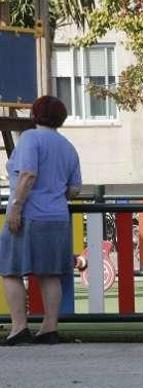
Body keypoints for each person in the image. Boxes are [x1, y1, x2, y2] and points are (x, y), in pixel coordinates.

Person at [1, 95, 82, 346]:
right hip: (56, 216)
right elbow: (75, 189)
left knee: (10, 270)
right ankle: (49, 327)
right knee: (49, 274)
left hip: (29, 215)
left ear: (35, 114)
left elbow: (27, 175)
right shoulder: (67, 146)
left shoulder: (30, 139)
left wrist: (15, 207)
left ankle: (19, 327)